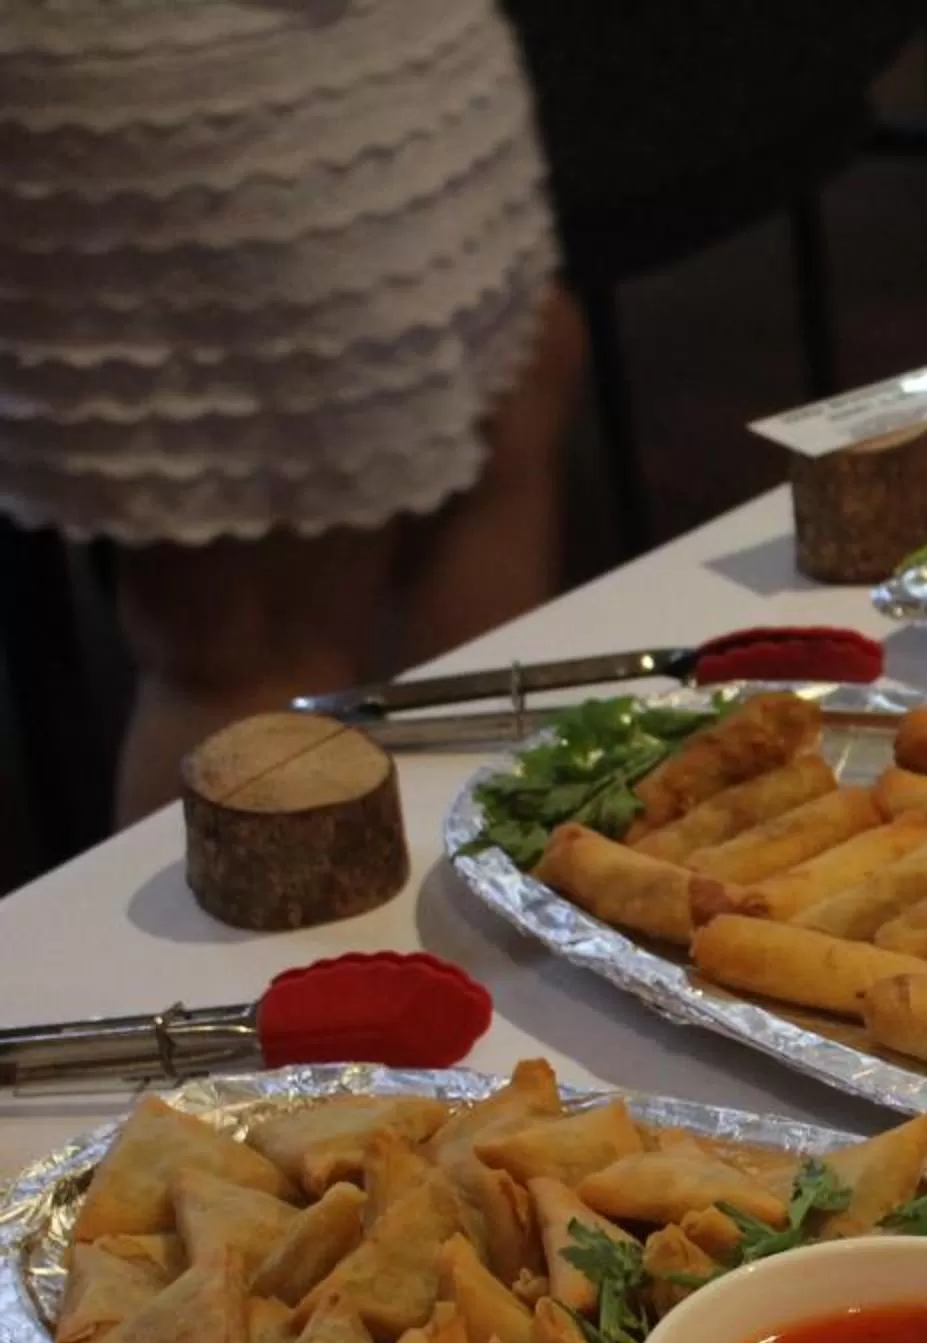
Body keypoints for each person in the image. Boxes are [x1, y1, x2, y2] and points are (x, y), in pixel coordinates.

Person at [0, 0, 583, 821]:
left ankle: (487, 865)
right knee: (253, 609)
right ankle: (263, 908)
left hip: (396, 31)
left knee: (509, 395)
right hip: (180, 50)